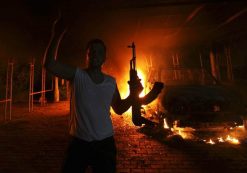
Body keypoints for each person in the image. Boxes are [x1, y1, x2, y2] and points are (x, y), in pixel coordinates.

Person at [44, 16, 163, 173]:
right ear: (86, 56)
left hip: (105, 145)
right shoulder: (77, 75)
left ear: (104, 58)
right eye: (91, 51)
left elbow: (119, 108)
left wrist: (134, 94)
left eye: (99, 52)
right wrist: (56, 34)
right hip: (79, 143)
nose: (95, 54)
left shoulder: (110, 82)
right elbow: (50, 64)